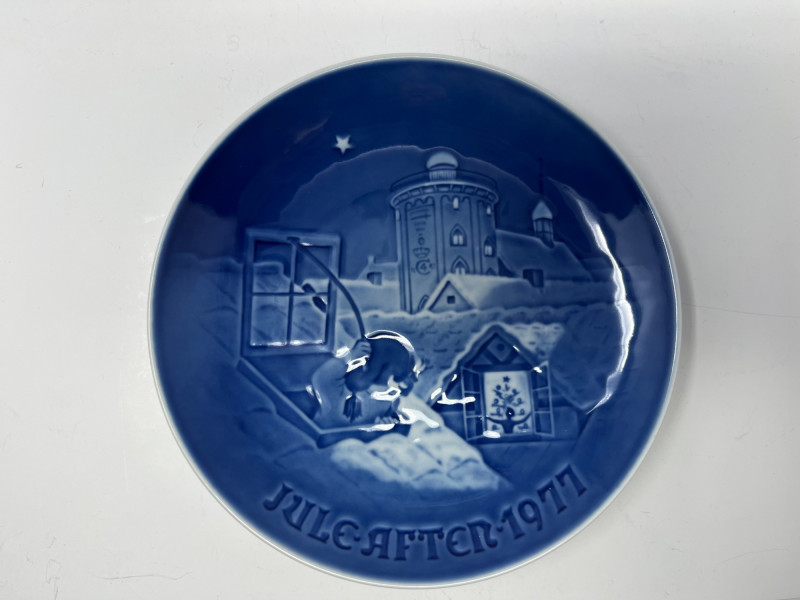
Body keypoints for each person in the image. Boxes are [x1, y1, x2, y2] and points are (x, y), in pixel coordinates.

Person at [310, 331, 418, 429]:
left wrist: (384, 426)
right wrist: (350, 357)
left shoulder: (389, 402)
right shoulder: (337, 388)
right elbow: (321, 377)